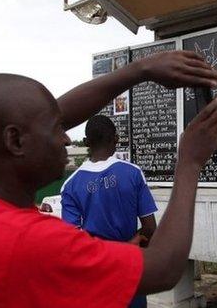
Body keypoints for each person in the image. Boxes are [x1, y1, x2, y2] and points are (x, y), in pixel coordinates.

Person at [0, 50, 217, 307]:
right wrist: (190, 162)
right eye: (56, 128)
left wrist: (140, 70)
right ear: (15, 142)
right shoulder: (27, 241)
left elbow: (44, 117)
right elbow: (164, 268)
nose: (67, 139)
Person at [62, 115, 157, 308]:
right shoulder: (132, 173)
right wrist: (129, 247)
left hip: (96, 275)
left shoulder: (70, 185)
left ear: (87, 142)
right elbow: (150, 226)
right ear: (115, 138)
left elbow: (72, 244)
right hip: (130, 271)